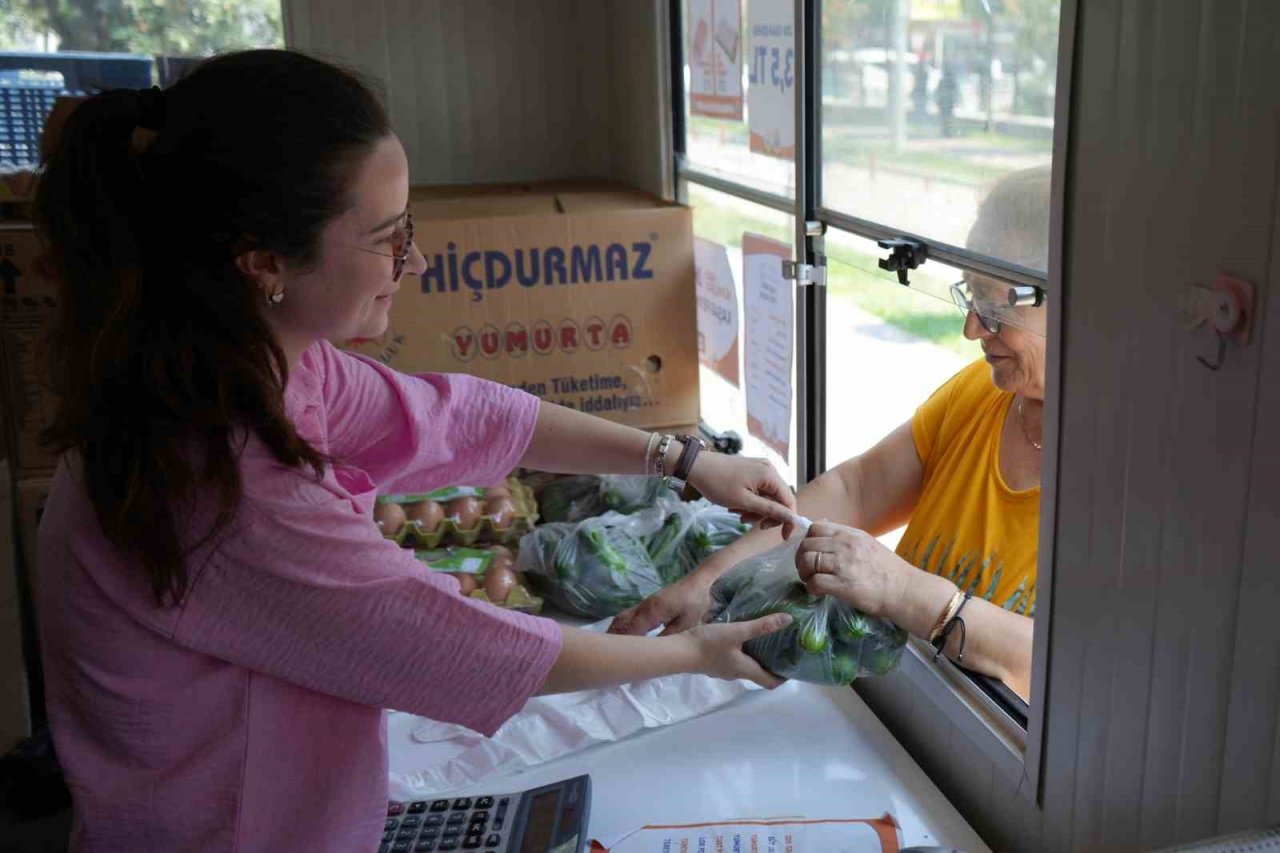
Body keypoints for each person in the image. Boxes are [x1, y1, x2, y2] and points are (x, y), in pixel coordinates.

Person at [32, 50, 801, 852]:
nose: (416, 262)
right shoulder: (226, 483)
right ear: (265, 263)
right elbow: (459, 645)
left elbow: (456, 415)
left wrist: (680, 459)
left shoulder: (248, 363)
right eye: (387, 239)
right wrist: (691, 653)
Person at [611, 167, 1052, 702]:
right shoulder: (980, 394)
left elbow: (1073, 670)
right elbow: (857, 491)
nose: (972, 329)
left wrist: (906, 592)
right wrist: (712, 580)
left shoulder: (1138, 489)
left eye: (996, 306)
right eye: (972, 298)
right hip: (888, 706)